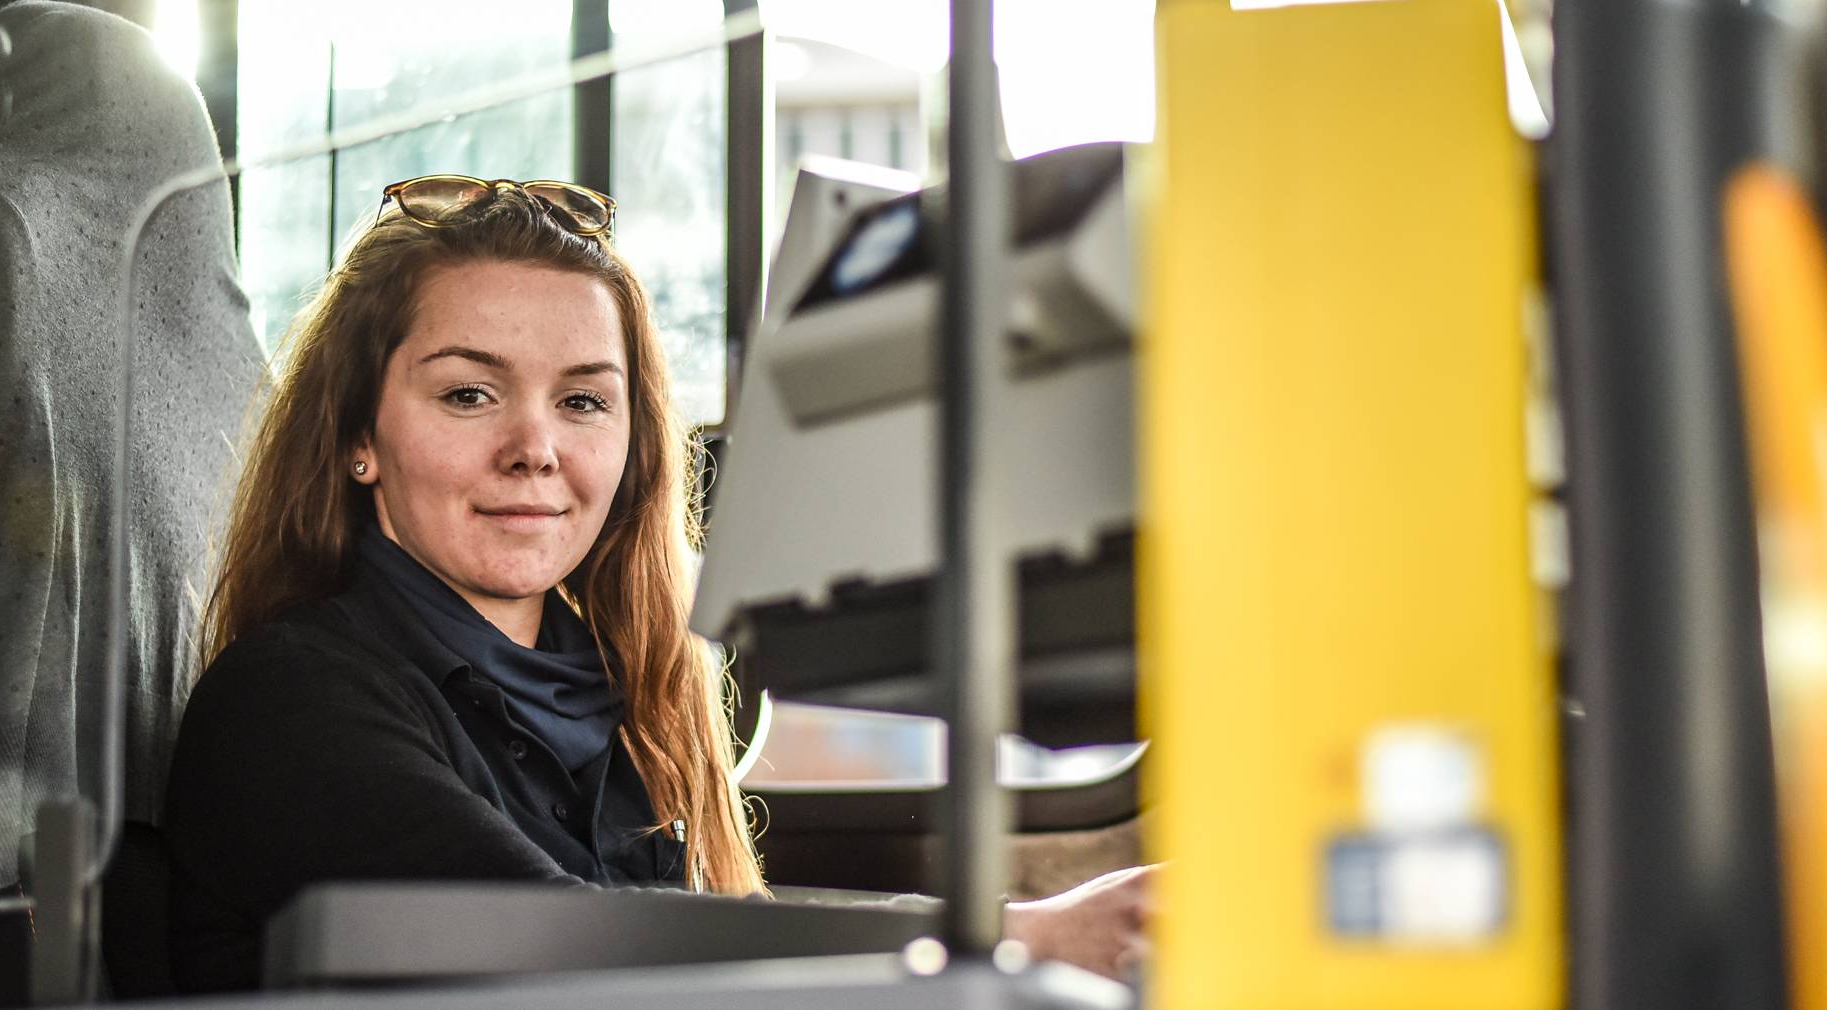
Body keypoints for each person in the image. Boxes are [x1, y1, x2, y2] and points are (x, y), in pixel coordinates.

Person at [163, 176, 1150, 993]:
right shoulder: (289, 702)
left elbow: (706, 933)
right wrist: (1014, 938)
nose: (534, 449)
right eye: (469, 393)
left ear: (633, 447)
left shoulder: (611, 687)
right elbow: (576, 957)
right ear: (357, 440)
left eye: (584, 400)